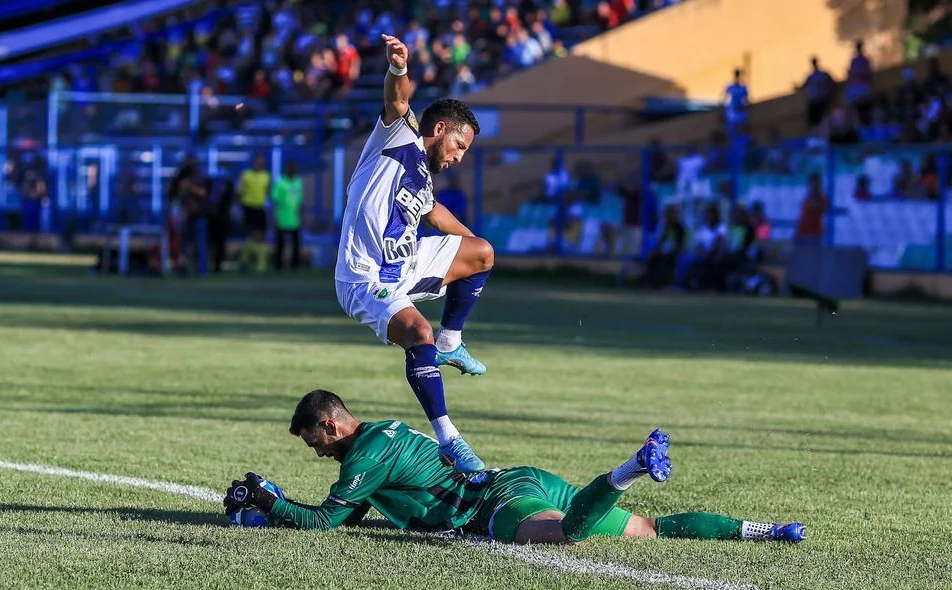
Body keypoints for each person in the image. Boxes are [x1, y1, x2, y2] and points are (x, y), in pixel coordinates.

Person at [223, 390, 808, 545]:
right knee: (646, 530)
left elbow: (327, 522)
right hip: (520, 478)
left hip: (496, 505)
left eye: (313, 443)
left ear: (330, 426)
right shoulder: (376, 439)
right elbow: (351, 514)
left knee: (564, 536)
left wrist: (270, 501)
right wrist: (271, 507)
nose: (315, 452)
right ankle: (763, 530)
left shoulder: (364, 456)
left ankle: (631, 466)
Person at [334, 34, 494, 473]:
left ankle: (452, 342)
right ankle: (449, 439)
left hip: (403, 266)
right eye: (459, 146)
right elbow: (397, 100)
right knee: (417, 332)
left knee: (482, 253)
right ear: (439, 129)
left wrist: (474, 249)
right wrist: (400, 68)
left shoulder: (422, 178)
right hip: (364, 278)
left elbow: (435, 214)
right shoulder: (398, 136)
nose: (460, 157)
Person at [238, 153, 271, 273]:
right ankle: (253, 263)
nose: (260, 164)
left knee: (261, 235)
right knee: (254, 234)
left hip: (260, 207)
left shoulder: (266, 176)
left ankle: (250, 262)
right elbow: (240, 191)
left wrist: (267, 204)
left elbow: (267, 191)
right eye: (258, 161)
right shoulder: (246, 175)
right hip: (249, 206)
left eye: (262, 162)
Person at [271, 160, 304, 271]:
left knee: (296, 244)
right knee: (280, 244)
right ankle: (278, 265)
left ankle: (295, 265)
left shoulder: (298, 182)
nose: (293, 171)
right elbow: (275, 201)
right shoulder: (280, 182)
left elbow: (299, 201)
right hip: (282, 218)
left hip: (294, 219)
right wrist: (275, 216)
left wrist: (301, 215)